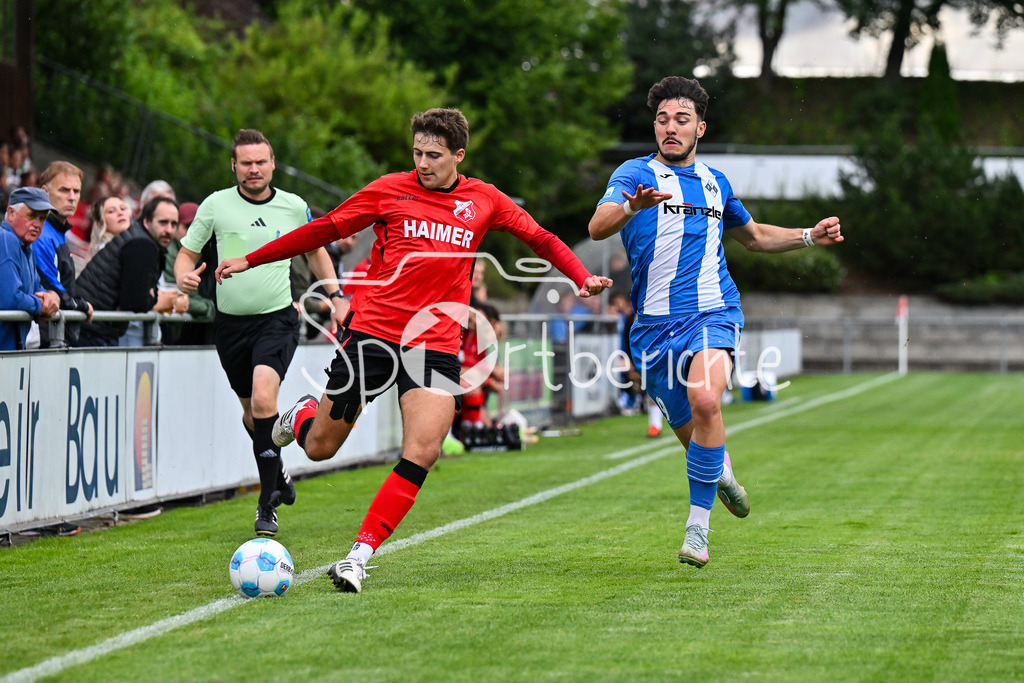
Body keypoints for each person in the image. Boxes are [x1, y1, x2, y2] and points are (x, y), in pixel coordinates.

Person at [216, 108, 611, 593]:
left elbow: (541, 237)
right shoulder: (388, 189)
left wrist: (580, 275)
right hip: (372, 337)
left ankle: (358, 557)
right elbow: (324, 230)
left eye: (434, 155)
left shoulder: (483, 199)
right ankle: (299, 417)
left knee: (423, 449)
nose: (423, 163)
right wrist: (250, 259)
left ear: (458, 156)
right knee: (319, 448)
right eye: (418, 153)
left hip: (436, 344)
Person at [588, 76, 843, 569]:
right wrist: (630, 206)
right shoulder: (632, 173)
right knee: (696, 438)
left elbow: (754, 237)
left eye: (682, 119)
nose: (670, 127)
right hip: (652, 329)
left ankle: (697, 531)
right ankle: (722, 472)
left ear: (700, 128)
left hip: (712, 311)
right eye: (662, 119)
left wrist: (809, 235)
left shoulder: (715, 183)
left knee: (707, 399)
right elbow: (598, 226)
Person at [175, 129, 343, 539]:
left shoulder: (293, 206)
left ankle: (267, 502)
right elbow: (187, 253)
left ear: (272, 164)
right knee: (253, 414)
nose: (253, 169)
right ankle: (279, 473)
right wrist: (183, 277)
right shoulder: (215, 205)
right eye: (245, 163)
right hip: (230, 325)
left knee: (265, 397)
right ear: (234, 165)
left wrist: (337, 297)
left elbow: (317, 250)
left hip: (278, 318)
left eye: (260, 162)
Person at [76, 197, 180, 347]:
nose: (168, 230)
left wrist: (150, 295)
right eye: (163, 223)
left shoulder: (139, 239)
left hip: (94, 326)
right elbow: (135, 303)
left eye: (174, 224)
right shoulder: (142, 245)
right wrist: (154, 299)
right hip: (92, 330)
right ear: (146, 221)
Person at [32, 162, 94, 348]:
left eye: (76, 191)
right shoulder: (41, 232)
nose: (72, 198)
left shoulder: (57, 231)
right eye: (64, 190)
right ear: (45, 191)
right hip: (45, 336)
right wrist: (82, 305)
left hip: (54, 333)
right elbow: (53, 287)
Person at [0, 187, 61, 350]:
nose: (37, 224)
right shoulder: (5, 238)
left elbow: (35, 288)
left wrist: (51, 297)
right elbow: (10, 298)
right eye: (32, 215)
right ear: (11, 213)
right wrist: (41, 305)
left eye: (42, 218)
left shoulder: (27, 247)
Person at [162, 201, 216, 345]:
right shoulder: (170, 253)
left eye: (197, 228)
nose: (193, 232)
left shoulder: (207, 252)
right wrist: (213, 309)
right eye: (187, 227)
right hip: (175, 332)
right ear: (175, 227)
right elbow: (177, 298)